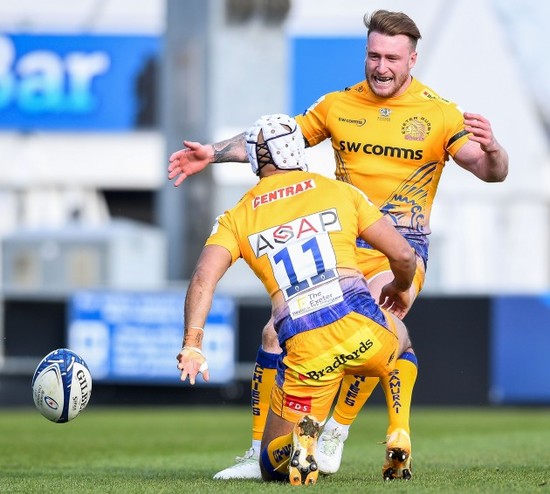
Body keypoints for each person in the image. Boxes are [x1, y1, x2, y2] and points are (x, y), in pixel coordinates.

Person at [168, 10, 509, 481]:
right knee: (275, 333)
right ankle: (262, 451)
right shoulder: (337, 106)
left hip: (399, 245)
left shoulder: (439, 113)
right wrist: (214, 151)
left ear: (412, 58)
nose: (381, 66)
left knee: (370, 320)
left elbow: (490, 172)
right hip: (341, 239)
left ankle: (334, 433)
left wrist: (493, 150)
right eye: (373, 55)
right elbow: (278, 142)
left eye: (392, 57)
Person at [176, 113, 417, 485]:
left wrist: (193, 344)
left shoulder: (237, 216)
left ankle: (299, 441)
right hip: (364, 331)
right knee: (402, 340)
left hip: (306, 352)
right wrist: (398, 286)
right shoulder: (341, 192)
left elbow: (203, 280)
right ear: (298, 152)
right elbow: (403, 256)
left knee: (271, 468)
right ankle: (398, 427)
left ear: (257, 159)